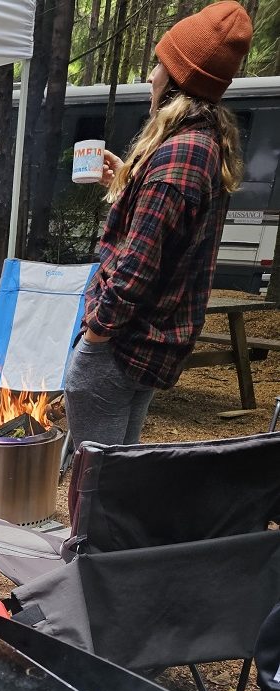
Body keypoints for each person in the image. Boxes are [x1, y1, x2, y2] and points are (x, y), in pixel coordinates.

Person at [64, 1, 252, 450]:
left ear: (178, 79)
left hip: (122, 345)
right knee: (119, 478)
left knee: (98, 487)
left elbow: (137, 267)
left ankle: (92, 526)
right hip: (148, 344)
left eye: (160, 65)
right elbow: (167, 233)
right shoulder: (202, 145)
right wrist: (128, 181)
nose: (151, 75)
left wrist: (94, 337)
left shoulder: (179, 155)